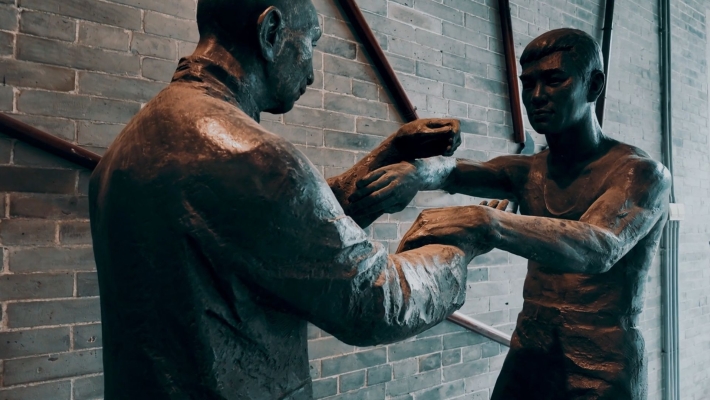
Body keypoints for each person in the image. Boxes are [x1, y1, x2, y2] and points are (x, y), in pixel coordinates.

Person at [88, 0, 491, 399]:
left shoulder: (124, 150)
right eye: (310, 42)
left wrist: (388, 156)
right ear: (271, 32)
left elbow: (270, 229)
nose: (312, 73)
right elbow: (374, 301)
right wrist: (461, 242)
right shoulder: (256, 157)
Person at [350, 29, 671, 399]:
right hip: (531, 351)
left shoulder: (640, 174)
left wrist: (484, 222)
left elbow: (598, 247)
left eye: (554, 80)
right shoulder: (529, 171)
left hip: (600, 363)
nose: (537, 96)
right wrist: (418, 171)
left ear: (593, 85)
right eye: (528, 83)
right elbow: (458, 171)